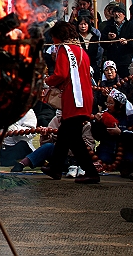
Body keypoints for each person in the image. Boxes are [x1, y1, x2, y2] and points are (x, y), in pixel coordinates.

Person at [41, 21, 100, 183]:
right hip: (84, 97)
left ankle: (90, 172)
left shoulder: (63, 50)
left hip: (74, 98)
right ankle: (56, 168)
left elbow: (60, 74)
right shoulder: (81, 50)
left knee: (71, 136)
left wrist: (47, 81)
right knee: (67, 135)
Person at [92, 89, 133, 177]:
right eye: (107, 103)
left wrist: (120, 133)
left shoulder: (131, 117)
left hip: (125, 150)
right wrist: (97, 124)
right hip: (106, 149)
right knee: (99, 161)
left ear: (120, 105)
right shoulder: (104, 115)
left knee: (128, 164)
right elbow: (97, 137)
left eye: (111, 103)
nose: (108, 106)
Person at [101, 3, 133, 79]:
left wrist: (127, 42)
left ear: (124, 14)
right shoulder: (108, 26)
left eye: (119, 12)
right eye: (115, 12)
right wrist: (109, 38)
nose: (117, 14)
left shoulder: (130, 26)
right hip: (112, 60)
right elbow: (102, 43)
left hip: (126, 60)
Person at [74, 10, 102, 81]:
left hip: (93, 64)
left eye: (85, 24)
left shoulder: (95, 35)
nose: (83, 26)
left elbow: (100, 50)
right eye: (81, 24)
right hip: (79, 65)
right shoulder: (75, 37)